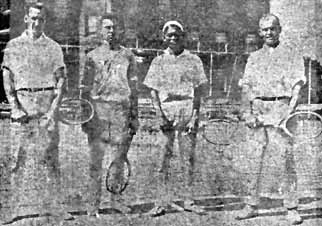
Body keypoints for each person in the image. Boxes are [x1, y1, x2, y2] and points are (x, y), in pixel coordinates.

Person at [2, 2, 73, 223]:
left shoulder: (53, 47)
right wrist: (14, 106)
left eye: (40, 19)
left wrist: (52, 112)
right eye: (33, 18)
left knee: (51, 161)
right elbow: (7, 77)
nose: (36, 22)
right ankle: (10, 210)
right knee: (17, 161)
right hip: (23, 106)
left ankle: (55, 208)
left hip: (45, 105)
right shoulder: (14, 45)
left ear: (45, 21)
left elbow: (61, 80)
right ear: (25, 19)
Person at [236, 14, 306, 225]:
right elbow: (246, 87)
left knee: (285, 158)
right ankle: (250, 204)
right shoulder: (254, 57)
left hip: (281, 108)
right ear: (260, 32)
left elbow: (297, 89)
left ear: (279, 30)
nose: (268, 33)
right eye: (264, 29)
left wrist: (288, 113)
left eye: (272, 29)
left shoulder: (292, 55)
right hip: (258, 108)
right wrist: (247, 112)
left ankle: (291, 207)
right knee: (253, 158)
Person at [143, 20, 208, 217]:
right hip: (166, 109)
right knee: (162, 159)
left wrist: (194, 116)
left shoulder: (193, 60)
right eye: (169, 35)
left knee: (187, 158)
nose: (173, 38)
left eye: (176, 35)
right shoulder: (158, 61)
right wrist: (159, 114)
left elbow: (198, 91)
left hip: (187, 108)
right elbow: (153, 92)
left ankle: (189, 200)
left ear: (183, 37)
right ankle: (161, 202)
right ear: (164, 37)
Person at [80, 13, 139, 217]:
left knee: (118, 159)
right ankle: (92, 204)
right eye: (107, 27)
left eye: (114, 27)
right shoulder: (91, 56)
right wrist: (85, 116)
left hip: (121, 111)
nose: (111, 31)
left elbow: (134, 87)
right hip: (99, 111)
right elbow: (85, 88)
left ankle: (116, 200)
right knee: (95, 161)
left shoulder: (128, 55)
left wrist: (134, 116)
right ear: (99, 31)